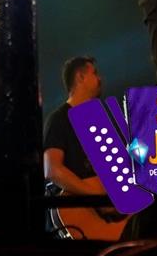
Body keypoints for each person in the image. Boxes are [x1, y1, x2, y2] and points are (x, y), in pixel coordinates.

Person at [43, 56, 122, 240]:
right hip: (79, 220)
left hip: (109, 221)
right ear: (80, 77)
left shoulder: (99, 122)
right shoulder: (59, 119)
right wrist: (96, 197)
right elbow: (52, 169)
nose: (100, 78)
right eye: (95, 73)